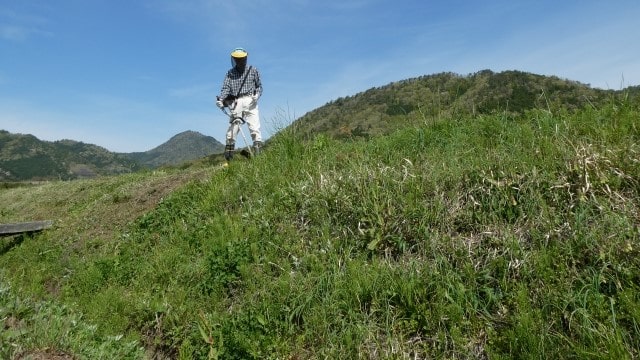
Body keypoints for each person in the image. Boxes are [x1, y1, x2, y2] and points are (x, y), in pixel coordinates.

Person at [216, 47, 263, 160]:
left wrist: (257, 95)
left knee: (255, 129)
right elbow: (226, 88)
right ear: (234, 59)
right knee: (232, 131)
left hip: (251, 100)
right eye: (237, 59)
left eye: (241, 58)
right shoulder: (230, 73)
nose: (239, 61)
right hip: (236, 103)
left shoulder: (253, 70)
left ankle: (259, 158)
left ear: (245, 58)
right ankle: (229, 161)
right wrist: (221, 100)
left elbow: (259, 86)